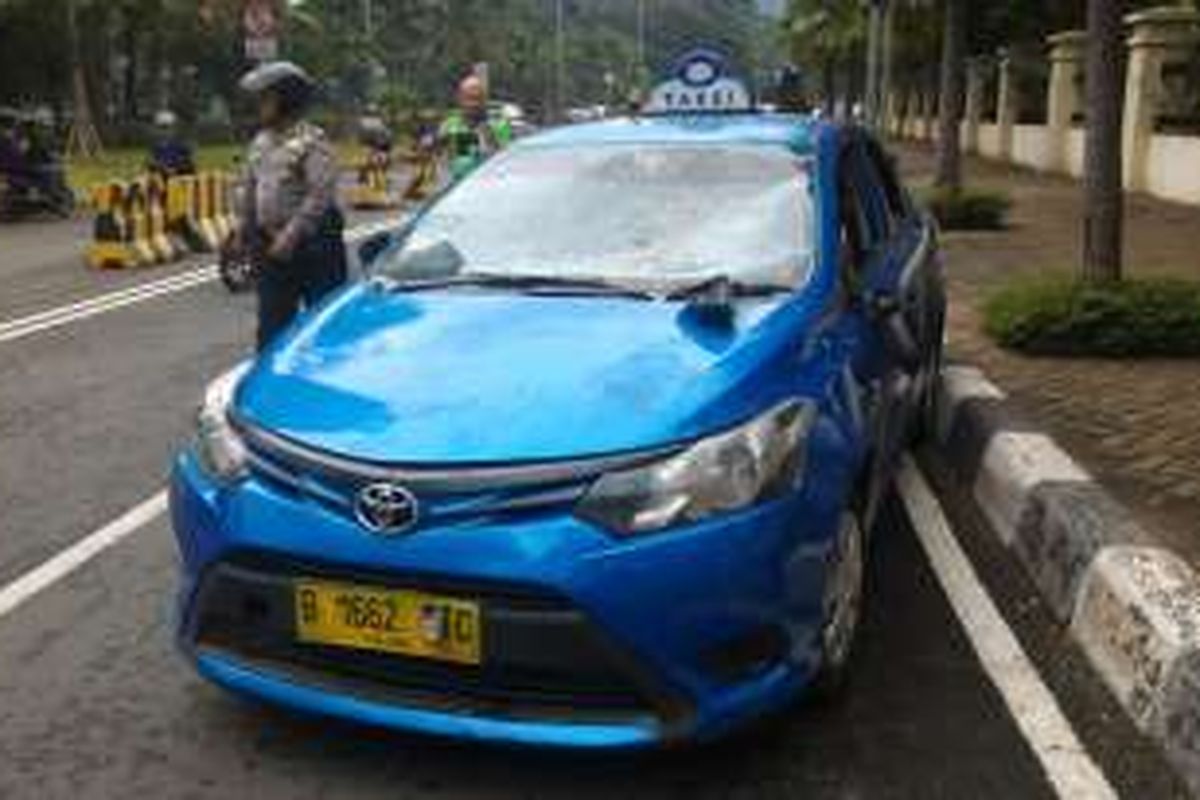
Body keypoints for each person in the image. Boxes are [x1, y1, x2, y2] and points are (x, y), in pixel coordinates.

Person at [237, 60, 347, 351]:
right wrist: (244, 230)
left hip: (314, 246)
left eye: (266, 98)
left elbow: (319, 194)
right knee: (272, 328)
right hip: (270, 246)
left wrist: (291, 234)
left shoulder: (313, 141)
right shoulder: (260, 142)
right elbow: (251, 187)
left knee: (323, 325)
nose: (259, 105)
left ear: (287, 98)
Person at [438, 74, 512, 181]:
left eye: (477, 98)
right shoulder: (450, 124)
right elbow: (439, 156)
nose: (473, 104)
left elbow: (505, 158)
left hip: (490, 184)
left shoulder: (499, 124)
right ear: (459, 99)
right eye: (468, 98)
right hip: (459, 185)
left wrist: (487, 132)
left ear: (484, 99)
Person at [147, 110, 196, 178]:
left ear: (174, 127)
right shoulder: (155, 146)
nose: (165, 131)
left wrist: (177, 169)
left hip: (181, 178)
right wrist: (163, 168)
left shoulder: (183, 144)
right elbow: (151, 162)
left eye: (167, 127)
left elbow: (191, 162)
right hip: (162, 178)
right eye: (162, 128)